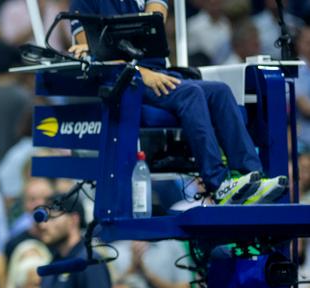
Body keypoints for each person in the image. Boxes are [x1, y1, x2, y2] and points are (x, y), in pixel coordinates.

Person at [67, 0, 287, 206]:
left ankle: (250, 176)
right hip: (123, 80)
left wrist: (127, 55)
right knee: (190, 92)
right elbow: (91, 50)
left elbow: (153, 29)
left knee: (219, 91)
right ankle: (218, 183)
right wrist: (139, 71)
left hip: (158, 72)